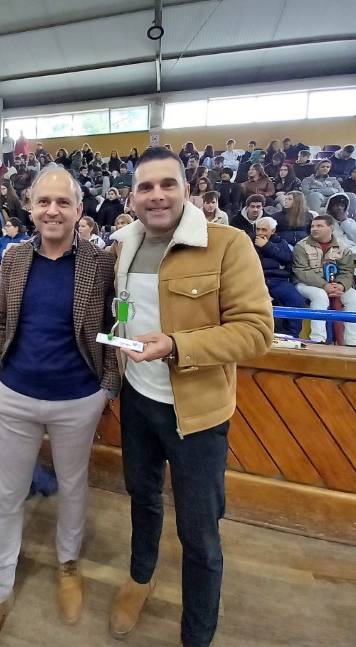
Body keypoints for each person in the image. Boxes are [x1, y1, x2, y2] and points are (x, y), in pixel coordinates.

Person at [107, 146, 273, 647]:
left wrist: (177, 345)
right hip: (137, 401)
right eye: (145, 187)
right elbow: (121, 312)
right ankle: (141, 579)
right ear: (132, 197)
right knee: (142, 498)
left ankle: (197, 631)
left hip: (197, 414)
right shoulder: (124, 244)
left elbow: (256, 331)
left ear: (187, 190)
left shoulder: (228, 245)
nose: (156, 195)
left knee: (199, 529)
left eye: (167, 185)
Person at [0, 166, 120, 646]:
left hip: (79, 399)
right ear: (30, 209)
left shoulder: (100, 264)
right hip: (13, 396)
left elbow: (114, 327)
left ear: (79, 209)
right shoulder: (14, 257)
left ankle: (68, 563)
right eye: (44, 202)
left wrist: (107, 388)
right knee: (9, 496)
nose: (53, 210)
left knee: (73, 487)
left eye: (63, 202)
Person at [293, 215, 356, 345]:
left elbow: (347, 270)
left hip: (335, 284)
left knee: (353, 296)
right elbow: (301, 271)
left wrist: (341, 285)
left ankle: (352, 341)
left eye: (319, 226)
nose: (314, 229)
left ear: (331, 228)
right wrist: (324, 285)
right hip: (305, 284)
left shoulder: (342, 247)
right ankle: (318, 339)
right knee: (320, 295)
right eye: (312, 226)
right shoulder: (301, 246)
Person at [253, 216, 306, 338]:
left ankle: (292, 336)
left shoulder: (281, 243)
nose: (260, 233)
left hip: (279, 281)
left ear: (273, 231)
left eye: (264, 230)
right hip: (257, 280)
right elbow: (253, 263)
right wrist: (277, 264)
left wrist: (267, 246)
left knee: (297, 301)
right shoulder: (250, 243)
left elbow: (288, 259)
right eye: (258, 229)